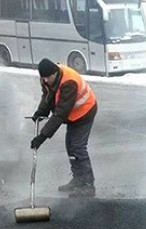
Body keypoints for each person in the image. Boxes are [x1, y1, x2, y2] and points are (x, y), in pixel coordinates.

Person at [30, 58, 98, 197]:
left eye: (47, 78)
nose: (45, 80)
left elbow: (60, 114)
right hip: (72, 114)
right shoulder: (46, 78)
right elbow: (47, 95)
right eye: (43, 78)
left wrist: (42, 136)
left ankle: (88, 184)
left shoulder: (69, 82)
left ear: (55, 73)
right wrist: (41, 111)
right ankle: (78, 179)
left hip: (84, 111)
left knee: (77, 147)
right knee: (70, 147)